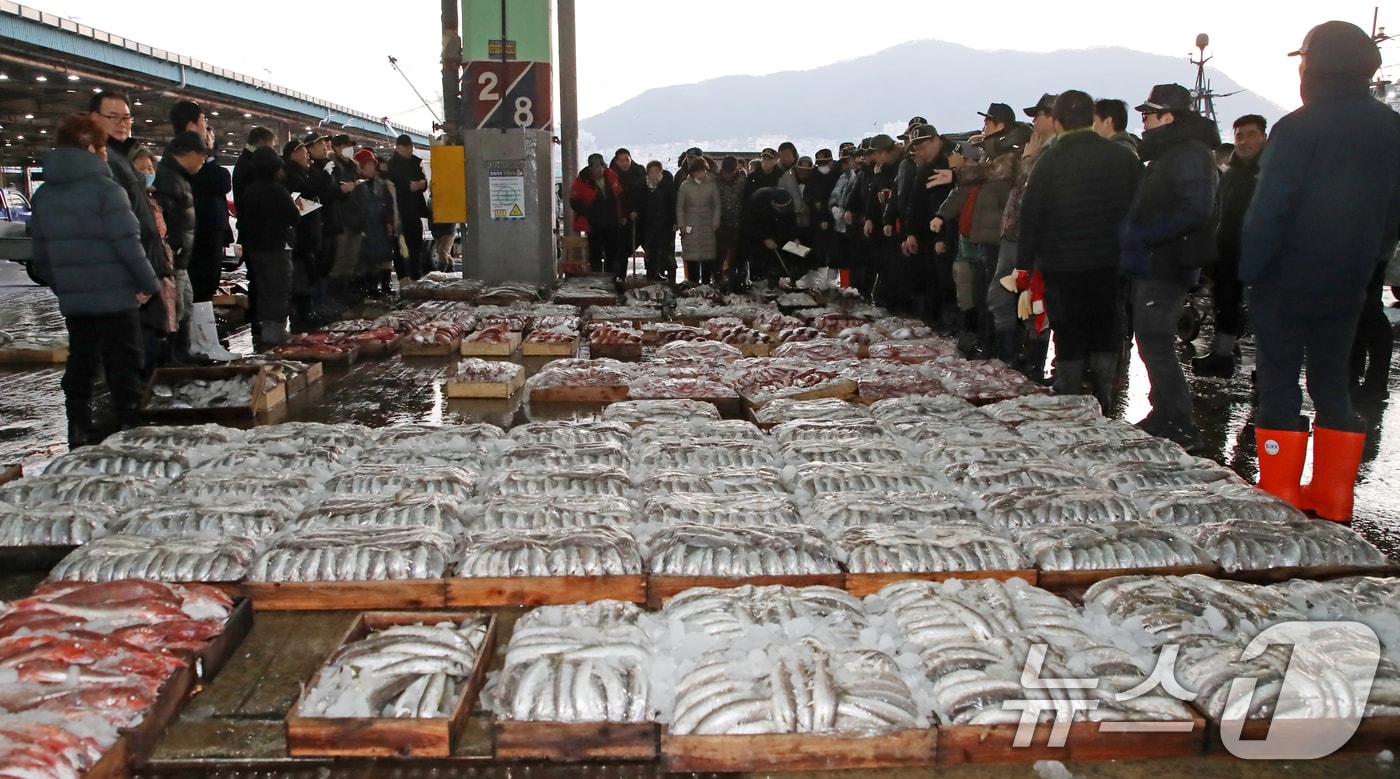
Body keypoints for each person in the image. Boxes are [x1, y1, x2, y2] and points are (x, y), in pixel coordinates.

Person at [1241, 20, 1400, 520]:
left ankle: (1281, 496)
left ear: (1317, 65)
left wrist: (1251, 268)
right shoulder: (1391, 127)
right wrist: (1371, 256)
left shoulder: (1299, 126)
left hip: (1287, 274)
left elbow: (1271, 207)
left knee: (1280, 380)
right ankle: (1333, 497)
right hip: (1351, 274)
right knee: (1333, 380)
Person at [30, 114, 159, 448]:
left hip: (76, 301)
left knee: (82, 360)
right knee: (124, 361)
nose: (105, 153)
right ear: (90, 147)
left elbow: (41, 256)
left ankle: (78, 427)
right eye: (101, 147)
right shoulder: (106, 190)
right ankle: (129, 426)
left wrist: (66, 287)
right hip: (117, 296)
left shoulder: (44, 195)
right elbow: (128, 245)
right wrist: (150, 283)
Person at [1017, 90, 1142, 412]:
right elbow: (1140, 208)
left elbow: (1030, 216)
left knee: (1068, 327)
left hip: (1062, 262)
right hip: (1110, 261)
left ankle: (1069, 389)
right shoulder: (1123, 158)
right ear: (1091, 119)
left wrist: (1023, 265)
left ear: (1057, 123)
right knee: (1105, 324)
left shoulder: (1050, 161)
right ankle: (1104, 390)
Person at [1121, 83, 1220, 452]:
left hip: (1165, 263)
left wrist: (1146, 235)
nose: (1144, 122)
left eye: (1148, 115)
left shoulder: (1191, 155)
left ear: (1169, 116)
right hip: (1151, 262)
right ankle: (1162, 412)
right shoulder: (1169, 154)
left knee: (1157, 341)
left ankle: (1181, 422)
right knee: (1149, 341)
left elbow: (1196, 209)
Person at [932, 103, 1027, 357]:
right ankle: (989, 345)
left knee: (1000, 298)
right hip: (984, 236)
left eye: (988, 122)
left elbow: (994, 173)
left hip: (1002, 236)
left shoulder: (1013, 153)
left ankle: (1006, 352)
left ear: (1000, 124)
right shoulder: (991, 154)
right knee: (985, 295)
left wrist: (956, 175)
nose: (984, 127)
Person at [88, 90, 172, 365]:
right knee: (132, 361)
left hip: (143, 272)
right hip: (128, 284)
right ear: (93, 118)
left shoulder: (121, 157)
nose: (122, 123)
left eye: (126, 117)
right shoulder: (102, 161)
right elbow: (113, 228)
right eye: (112, 117)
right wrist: (136, 278)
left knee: (148, 351)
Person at [1194, 115, 1268, 377]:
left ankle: (1266, 368)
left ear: (1264, 137)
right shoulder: (1230, 175)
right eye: (1239, 136)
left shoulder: (1271, 174)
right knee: (1225, 304)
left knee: (1264, 312)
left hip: (1261, 254)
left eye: (1250, 135)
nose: (1244, 141)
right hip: (1227, 253)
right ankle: (1222, 356)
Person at [990, 93, 1057, 367]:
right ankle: (1009, 359)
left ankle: (1032, 367)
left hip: (1035, 240)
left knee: (1036, 302)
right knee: (1004, 297)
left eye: (1038, 115)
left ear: (1053, 118)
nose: (1033, 121)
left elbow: (1033, 194)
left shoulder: (1053, 151)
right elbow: (995, 170)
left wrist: (1029, 161)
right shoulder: (1032, 147)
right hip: (1016, 236)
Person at [169, 100, 236, 361]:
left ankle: (207, 344)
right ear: (190, 125)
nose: (207, 127)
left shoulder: (196, 154)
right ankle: (202, 345)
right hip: (199, 231)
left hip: (207, 229)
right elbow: (221, 181)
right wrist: (209, 156)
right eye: (203, 121)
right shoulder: (188, 155)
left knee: (205, 287)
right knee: (200, 287)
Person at [152, 130, 209, 365]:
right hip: (172, 257)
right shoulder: (168, 178)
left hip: (181, 257)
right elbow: (162, 219)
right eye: (202, 156)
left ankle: (182, 351)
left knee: (184, 305)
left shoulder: (180, 176)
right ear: (188, 153)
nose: (203, 161)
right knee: (175, 308)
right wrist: (171, 248)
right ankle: (171, 358)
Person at [239, 146, 302, 346]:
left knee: (264, 288)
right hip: (277, 246)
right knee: (279, 288)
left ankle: (266, 329)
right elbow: (293, 217)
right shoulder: (278, 190)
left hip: (257, 248)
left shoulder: (249, 191)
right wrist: (296, 208)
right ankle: (277, 330)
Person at [899, 125, 952, 324]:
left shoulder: (953, 159)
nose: (920, 153)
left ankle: (950, 326)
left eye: (923, 147)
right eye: (916, 149)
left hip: (948, 234)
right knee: (930, 280)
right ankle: (933, 323)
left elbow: (955, 202)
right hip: (926, 233)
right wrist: (910, 233)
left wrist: (943, 236)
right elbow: (915, 201)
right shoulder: (925, 168)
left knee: (948, 283)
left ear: (935, 140)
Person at [352, 149, 400, 298]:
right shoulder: (357, 185)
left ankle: (382, 286)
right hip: (365, 226)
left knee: (383, 256)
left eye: (373, 165)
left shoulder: (380, 184)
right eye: (368, 165)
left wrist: (389, 221)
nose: (372, 168)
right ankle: (367, 289)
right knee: (366, 260)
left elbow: (388, 204)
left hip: (379, 226)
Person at [569, 153, 626, 279]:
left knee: (613, 252)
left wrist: (622, 214)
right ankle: (598, 279)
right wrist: (590, 212)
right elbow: (574, 202)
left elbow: (620, 196)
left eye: (601, 167)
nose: (600, 170)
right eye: (596, 168)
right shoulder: (582, 181)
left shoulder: (611, 176)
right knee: (595, 253)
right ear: (590, 169)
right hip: (593, 223)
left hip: (612, 222)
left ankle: (612, 278)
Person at [387, 134, 430, 282]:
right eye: (407, 147)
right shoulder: (390, 166)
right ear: (398, 147)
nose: (410, 150)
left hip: (415, 211)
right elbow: (390, 189)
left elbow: (424, 181)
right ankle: (403, 277)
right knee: (401, 248)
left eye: (411, 147)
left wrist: (421, 184)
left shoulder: (415, 163)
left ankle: (416, 275)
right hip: (399, 213)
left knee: (416, 246)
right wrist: (408, 187)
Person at [742, 186, 800, 288]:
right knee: (761, 260)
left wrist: (794, 236)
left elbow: (791, 220)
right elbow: (749, 224)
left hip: (778, 234)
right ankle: (759, 282)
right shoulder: (758, 200)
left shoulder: (787, 201)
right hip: (758, 236)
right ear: (773, 203)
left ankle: (779, 282)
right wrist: (764, 238)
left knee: (780, 260)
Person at [676, 156, 722, 285]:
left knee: (708, 258)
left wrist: (715, 222)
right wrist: (682, 224)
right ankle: (693, 284)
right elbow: (680, 206)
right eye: (697, 171)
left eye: (702, 170)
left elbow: (717, 205)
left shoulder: (712, 185)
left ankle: (707, 285)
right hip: (690, 225)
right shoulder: (685, 186)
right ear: (692, 172)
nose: (700, 174)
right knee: (692, 258)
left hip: (708, 226)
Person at [636, 160, 677, 282]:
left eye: (656, 171)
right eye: (651, 171)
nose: (654, 174)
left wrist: (675, 221)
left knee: (667, 252)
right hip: (648, 225)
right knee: (651, 252)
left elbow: (674, 204)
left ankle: (671, 277)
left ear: (661, 171)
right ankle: (652, 275)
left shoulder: (668, 185)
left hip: (666, 225)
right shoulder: (642, 186)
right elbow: (637, 202)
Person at [714, 155, 746, 286]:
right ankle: (717, 278)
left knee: (736, 253)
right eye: (726, 172)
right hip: (720, 222)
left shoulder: (743, 180)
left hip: (738, 223)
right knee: (719, 253)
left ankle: (734, 279)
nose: (728, 175)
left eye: (730, 172)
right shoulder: (715, 181)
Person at [231, 126, 277, 213]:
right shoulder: (252, 164)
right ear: (261, 142)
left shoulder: (245, 160)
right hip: (254, 219)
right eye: (271, 146)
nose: (272, 151)